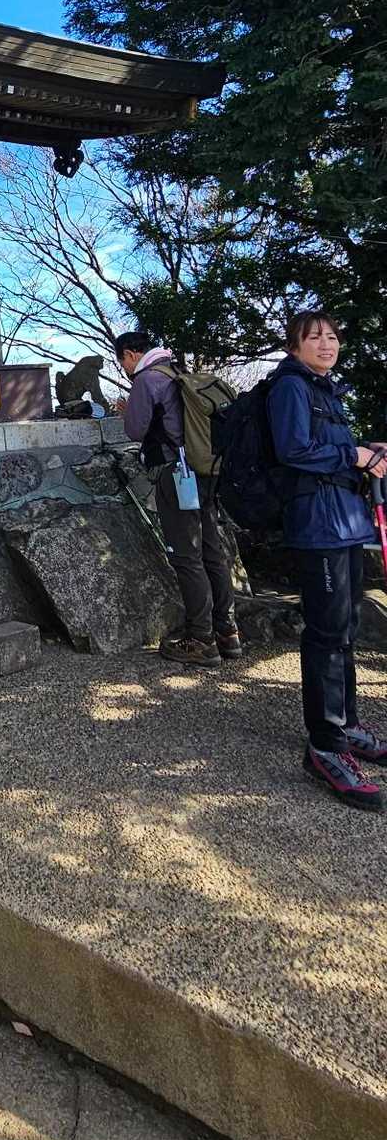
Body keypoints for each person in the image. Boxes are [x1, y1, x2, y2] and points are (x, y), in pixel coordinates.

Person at [267, 312, 387, 811]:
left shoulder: (326, 391)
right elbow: (293, 449)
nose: (326, 344)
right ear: (294, 347)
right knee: (327, 633)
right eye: (314, 336)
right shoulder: (291, 387)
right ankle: (326, 746)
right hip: (318, 525)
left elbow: (330, 449)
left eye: (333, 336)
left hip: (344, 522)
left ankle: (348, 724)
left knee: (346, 627)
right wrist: (354, 455)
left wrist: (366, 451)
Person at [115, 331, 238, 669]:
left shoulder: (146, 379)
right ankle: (227, 631)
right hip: (205, 471)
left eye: (122, 361)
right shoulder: (178, 371)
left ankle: (200, 639)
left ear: (130, 354)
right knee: (211, 550)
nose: (125, 368)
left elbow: (135, 430)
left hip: (177, 474)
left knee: (186, 556)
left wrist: (127, 412)